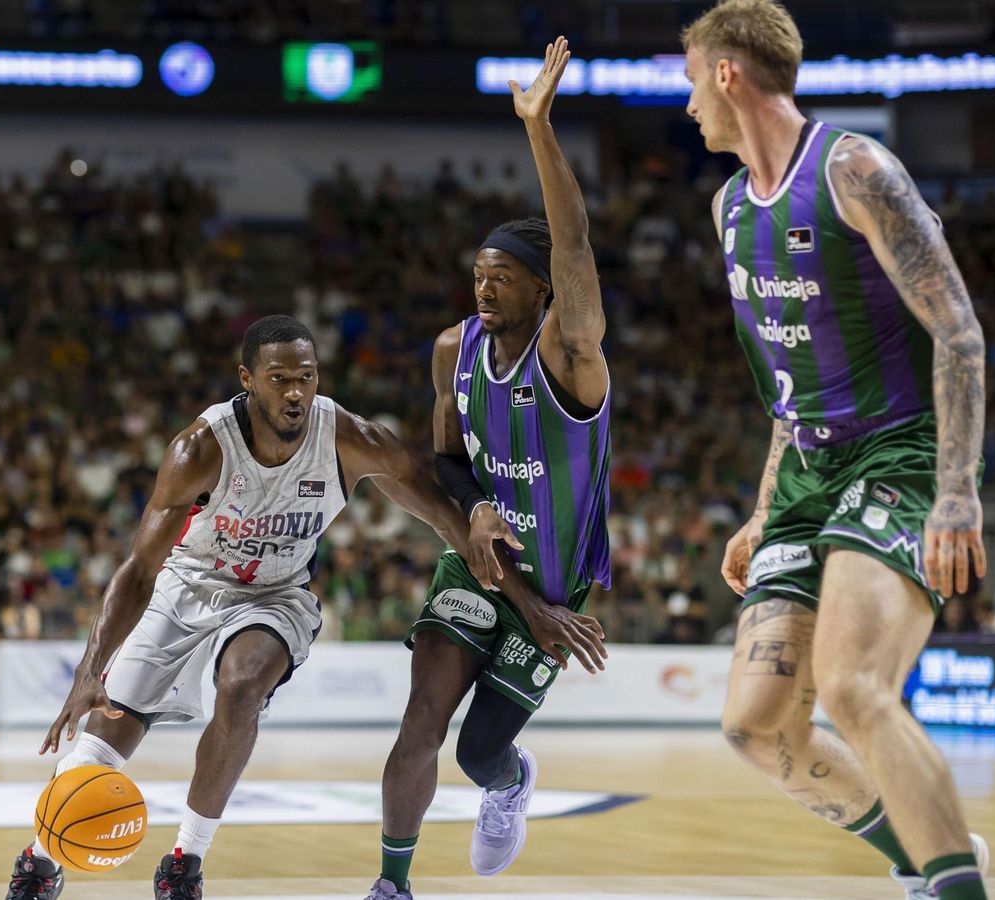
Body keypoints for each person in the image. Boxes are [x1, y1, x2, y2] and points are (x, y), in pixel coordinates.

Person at [7, 315, 511, 900]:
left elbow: (438, 509)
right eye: (279, 379)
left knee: (243, 686)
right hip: (187, 582)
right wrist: (91, 669)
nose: (296, 392)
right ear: (247, 379)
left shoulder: (349, 438)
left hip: (276, 594)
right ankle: (41, 858)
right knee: (103, 739)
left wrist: (485, 550)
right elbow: (140, 569)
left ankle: (185, 863)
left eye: (307, 377)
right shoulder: (199, 448)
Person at [682, 2, 990, 897]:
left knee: (854, 687)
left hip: (897, 452)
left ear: (729, 73)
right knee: (756, 727)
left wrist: (958, 490)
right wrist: (765, 506)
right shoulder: (729, 207)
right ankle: (930, 854)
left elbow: (959, 332)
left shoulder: (855, 169)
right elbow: (787, 386)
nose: (689, 100)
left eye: (692, 78)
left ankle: (952, 883)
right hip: (809, 472)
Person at [364, 38, 611, 900]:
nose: (485, 287)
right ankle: (392, 885)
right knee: (421, 718)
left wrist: (538, 129)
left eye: (504, 277)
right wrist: (469, 509)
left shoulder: (573, 357)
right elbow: (441, 459)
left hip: (555, 584)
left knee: (477, 750)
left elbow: (575, 241)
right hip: (481, 563)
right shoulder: (450, 353)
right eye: (479, 273)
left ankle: (508, 782)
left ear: (546, 291)